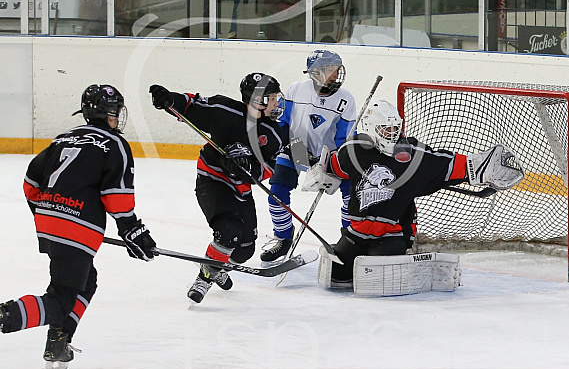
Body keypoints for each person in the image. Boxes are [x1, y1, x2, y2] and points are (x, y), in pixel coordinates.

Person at [0, 84, 157, 369]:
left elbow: (30, 184)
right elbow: (116, 197)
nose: (116, 118)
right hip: (76, 226)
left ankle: (58, 342)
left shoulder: (63, 138)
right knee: (62, 299)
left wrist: (48, 213)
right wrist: (133, 232)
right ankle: (4, 316)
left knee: (84, 281)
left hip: (52, 222)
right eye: (114, 112)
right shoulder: (114, 144)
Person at [301, 100, 525, 285]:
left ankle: (411, 259)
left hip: (393, 235)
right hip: (356, 234)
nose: (391, 134)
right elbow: (335, 166)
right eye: (385, 129)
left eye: (394, 128)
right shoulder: (354, 149)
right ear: (370, 128)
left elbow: (446, 164)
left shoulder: (411, 155)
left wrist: (482, 166)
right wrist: (321, 171)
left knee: (373, 276)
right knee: (335, 276)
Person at [148, 73, 289, 305]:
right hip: (212, 179)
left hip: (240, 189)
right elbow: (193, 106)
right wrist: (169, 99)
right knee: (228, 230)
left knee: (244, 250)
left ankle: (215, 263)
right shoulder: (224, 110)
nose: (277, 102)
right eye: (272, 98)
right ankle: (205, 278)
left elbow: (269, 168)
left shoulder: (275, 132)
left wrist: (250, 168)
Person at [261, 49, 357, 263]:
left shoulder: (345, 99)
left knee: (352, 196)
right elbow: (282, 124)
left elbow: (345, 137)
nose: (336, 75)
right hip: (295, 148)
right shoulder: (296, 90)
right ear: (316, 73)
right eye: (332, 70)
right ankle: (283, 239)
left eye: (337, 70)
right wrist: (287, 144)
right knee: (276, 193)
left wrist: (338, 161)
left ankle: (351, 241)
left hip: (331, 155)